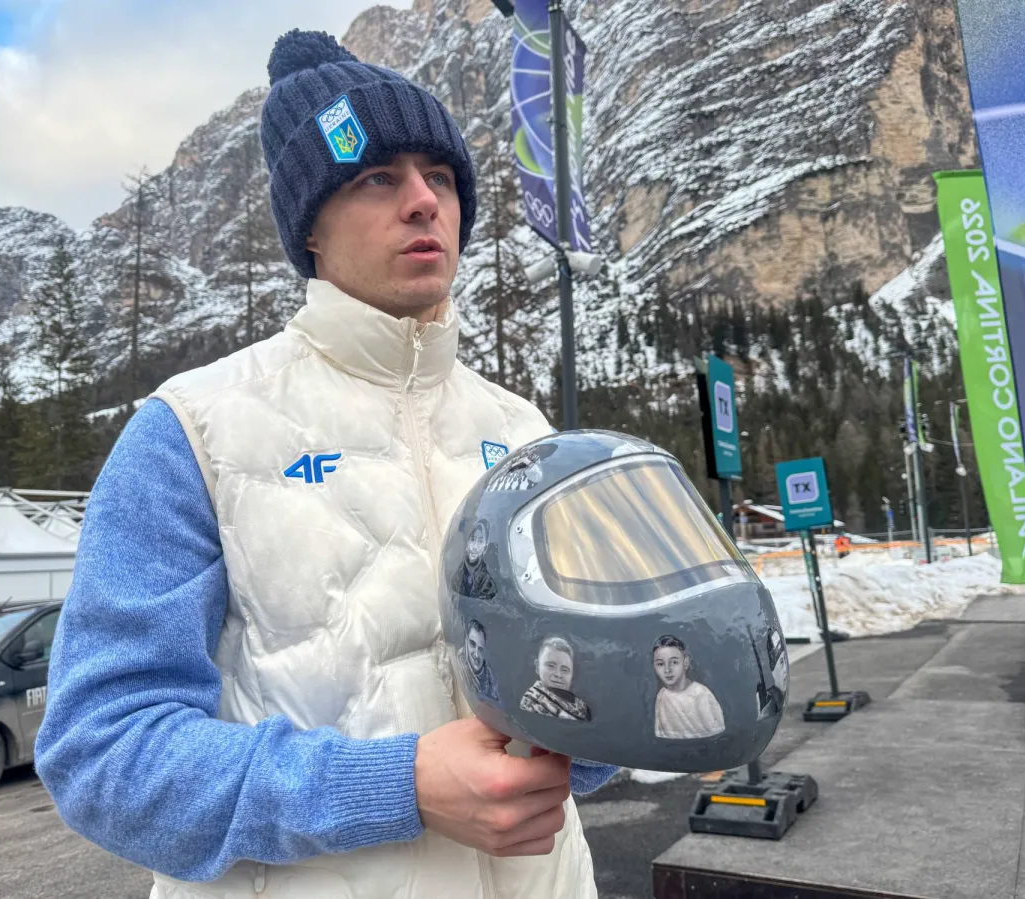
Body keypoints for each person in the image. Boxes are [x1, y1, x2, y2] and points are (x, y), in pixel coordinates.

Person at [34, 29, 613, 899]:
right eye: (377, 177)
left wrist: (620, 711)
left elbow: (578, 719)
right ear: (309, 224)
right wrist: (398, 785)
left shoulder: (522, 429)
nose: (422, 201)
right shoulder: (191, 431)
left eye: (441, 176)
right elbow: (102, 753)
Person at [652, 635, 725, 739]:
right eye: (660, 664)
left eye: (674, 662)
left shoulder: (701, 694)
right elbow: (660, 734)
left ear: (685, 663)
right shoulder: (662, 695)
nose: (667, 670)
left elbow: (717, 733)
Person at [520, 636, 592, 721]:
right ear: (537, 667)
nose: (558, 674)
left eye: (565, 670)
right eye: (551, 666)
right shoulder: (532, 701)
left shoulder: (581, 706)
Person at [458, 619, 500, 704]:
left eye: (480, 649)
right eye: (472, 644)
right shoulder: (457, 667)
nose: (476, 655)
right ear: (466, 641)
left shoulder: (490, 677)